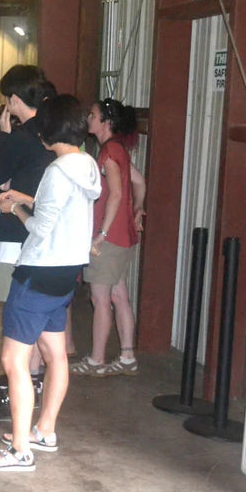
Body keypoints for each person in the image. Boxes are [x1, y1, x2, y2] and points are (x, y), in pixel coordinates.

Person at [0, 94, 101, 473]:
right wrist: (28, 198)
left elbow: (41, 227)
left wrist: (15, 207)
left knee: (13, 360)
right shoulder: (86, 165)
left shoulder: (57, 171)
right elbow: (63, 209)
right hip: (65, 273)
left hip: (37, 272)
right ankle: (44, 431)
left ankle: (19, 451)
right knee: (55, 354)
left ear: (48, 129)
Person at [0, 65, 55, 423]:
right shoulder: (53, 133)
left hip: (16, 231)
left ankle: (17, 392)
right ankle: (32, 383)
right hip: (46, 237)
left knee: (17, 320)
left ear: (14, 100)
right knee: (36, 321)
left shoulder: (21, 137)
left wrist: (4, 137)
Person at [70, 98, 145, 377]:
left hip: (109, 238)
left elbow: (115, 194)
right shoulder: (117, 149)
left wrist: (101, 234)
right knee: (118, 294)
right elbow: (139, 182)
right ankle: (127, 356)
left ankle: (97, 360)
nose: (89, 118)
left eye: (93, 115)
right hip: (122, 236)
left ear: (106, 122)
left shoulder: (109, 152)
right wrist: (137, 209)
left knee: (100, 297)